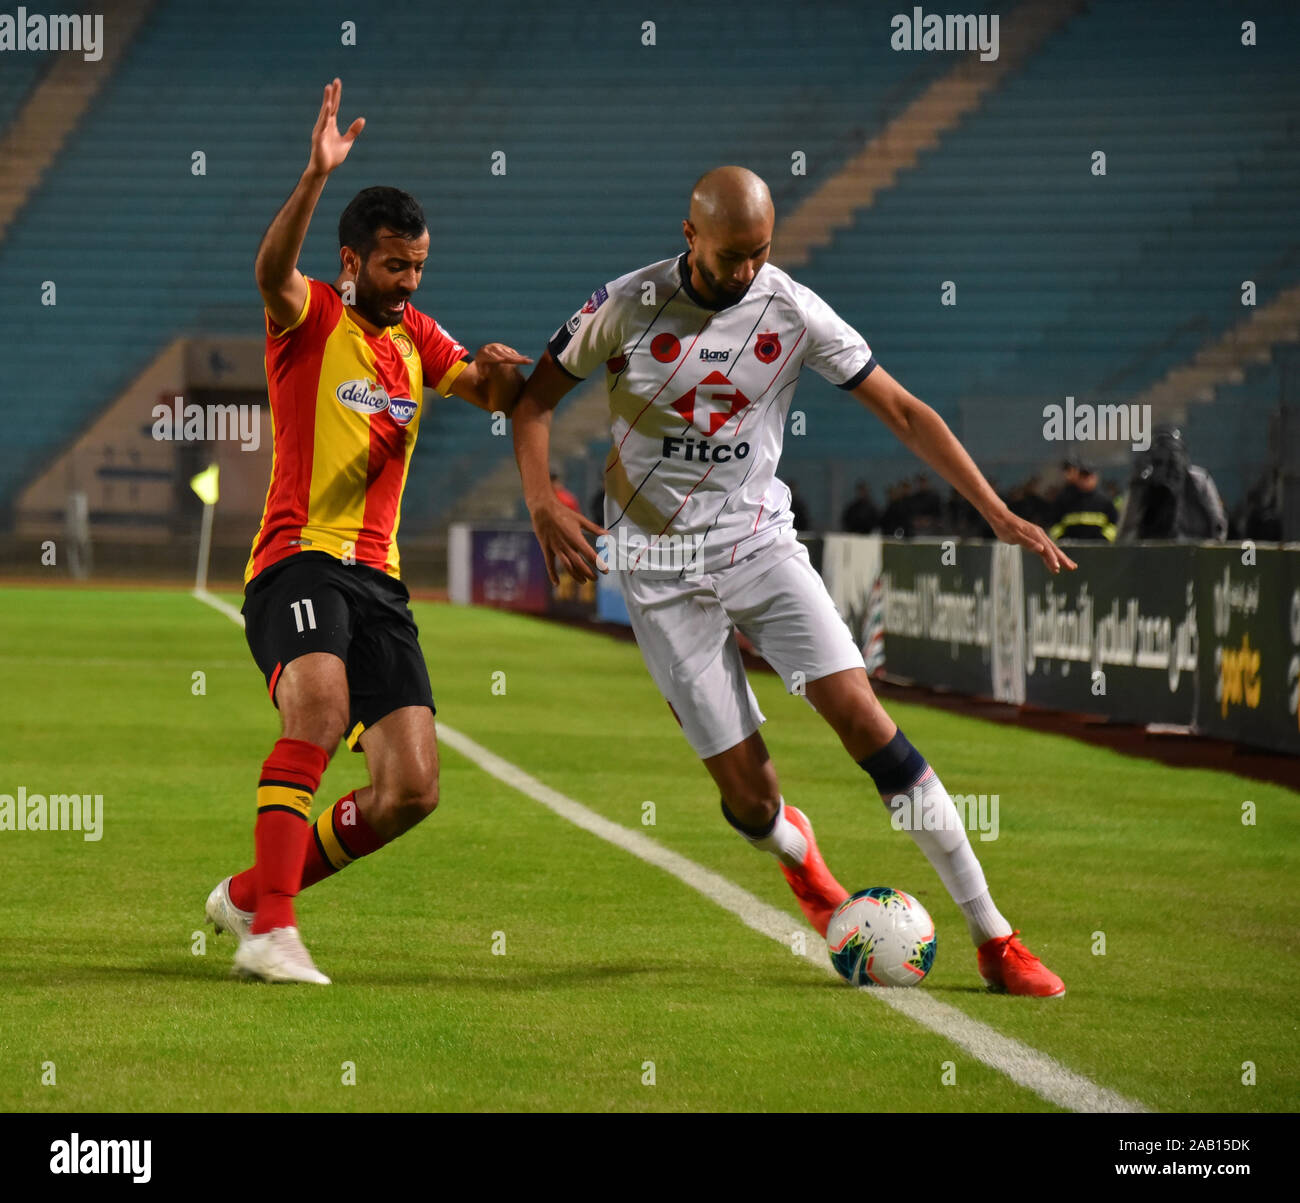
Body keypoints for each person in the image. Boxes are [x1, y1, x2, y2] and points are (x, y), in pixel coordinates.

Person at [512, 165, 1074, 996]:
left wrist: (995, 510)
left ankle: (995, 934)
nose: (746, 271)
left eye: (761, 252)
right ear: (690, 234)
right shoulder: (625, 305)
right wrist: (541, 503)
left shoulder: (793, 311)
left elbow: (906, 411)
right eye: (731, 254)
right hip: (657, 568)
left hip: (758, 545)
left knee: (864, 720)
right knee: (749, 799)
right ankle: (798, 854)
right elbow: (532, 400)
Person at [204, 80, 530, 984]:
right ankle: (273, 929)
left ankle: (246, 894)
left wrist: (517, 370)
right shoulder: (308, 313)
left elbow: (487, 388)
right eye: (395, 267)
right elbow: (269, 272)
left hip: (379, 580)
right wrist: (313, 177)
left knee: (411, 791)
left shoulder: (415, 334)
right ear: (353, 261)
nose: (410, 281)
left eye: (419, 265)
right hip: (296, 560)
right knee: (317, 706)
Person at [1117, 424, 1227, 542]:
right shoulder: (1144, 482)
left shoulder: (1198, 480)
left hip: (1192, 548)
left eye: (1173, 457)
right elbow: (1127, 529)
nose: (1168, 467)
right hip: (1154, 549)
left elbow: (1217, 524)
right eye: (1161, 461)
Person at [1049, 455, 1118, 542]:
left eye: (1089, 476)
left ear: (1096, 478)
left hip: (1098, 550)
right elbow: (1054, 524)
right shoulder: (1064, 499)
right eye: (1083, 476)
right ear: (1077, 477)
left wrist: (1104, 540)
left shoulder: (1105, 500)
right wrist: (1061, 540)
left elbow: (1113, 525)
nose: (1086, 480)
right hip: (1070, 550)